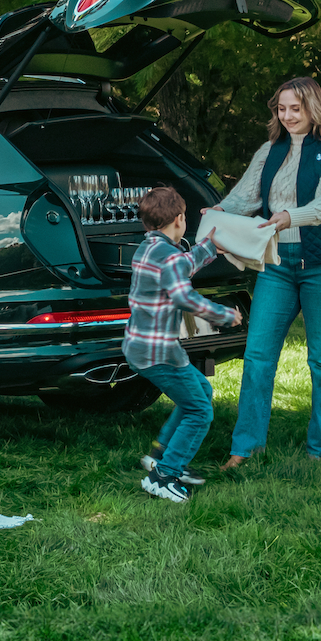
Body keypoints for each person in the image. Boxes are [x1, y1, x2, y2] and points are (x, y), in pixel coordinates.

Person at [217, 76, 321, 467]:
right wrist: (217, 215)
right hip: (277, 265)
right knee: (258, 355)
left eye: (295, 108)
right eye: (282, 108)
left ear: (314, 108)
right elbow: (245, 196)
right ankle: (244, 448)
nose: (288, 115)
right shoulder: (270, 150)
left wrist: (286, 217)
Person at [124, 186, 242, 503]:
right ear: (179, 219)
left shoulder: (148, 249)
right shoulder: (169, 257)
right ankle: (164, 475)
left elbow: (182, 265)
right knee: (200, 410)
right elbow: (183, 295)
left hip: (140, 347)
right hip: (159, 353)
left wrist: (209, 246)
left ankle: (162, 455)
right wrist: (223, 314)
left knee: (200, 391)